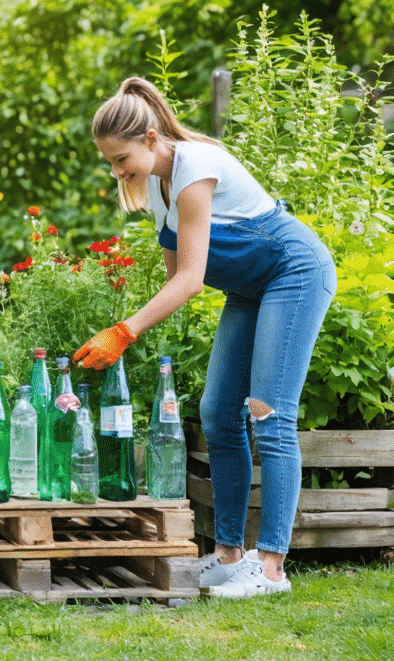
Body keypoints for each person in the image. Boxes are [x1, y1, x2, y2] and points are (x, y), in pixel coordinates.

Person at [73, 77, 335, 598]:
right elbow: (177, 280)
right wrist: (129, 330)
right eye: (109, 162)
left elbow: (192, 279)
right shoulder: (157, 186)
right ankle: (230, 555)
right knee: (217, 412)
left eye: (121, 158)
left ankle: (271, 570)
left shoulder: (194, 166)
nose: (117, 171)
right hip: (250, 289)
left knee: (268, 412)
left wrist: (124, 332)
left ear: (150, 139)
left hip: (295, 272)